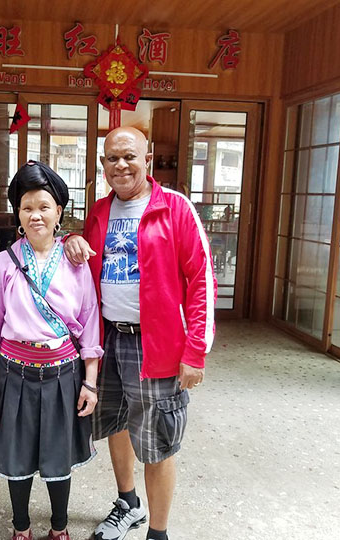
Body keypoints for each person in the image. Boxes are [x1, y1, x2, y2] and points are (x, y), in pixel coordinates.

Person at [64, 127, 217, 540]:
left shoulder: (176, 209)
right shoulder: (98, 212)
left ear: (147, 160)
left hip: (157, 345)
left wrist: (195, 352)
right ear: (102, 166)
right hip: (108, 339)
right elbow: (79, 264)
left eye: (129, 156)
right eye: (112, 159)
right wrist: (69, 239)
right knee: (116, 423)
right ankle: (127, 502)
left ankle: (158, 531)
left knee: (158, 440)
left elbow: (201, 280)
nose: (121, 165)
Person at [0, 161, 103, 540]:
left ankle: (59, 528)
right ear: (18, 213)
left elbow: (91, 326)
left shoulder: (76, 261)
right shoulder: (3, 263)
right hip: (14, 374)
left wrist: (90, 383)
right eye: (27, 207)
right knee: (17, 456)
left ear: (59, 211)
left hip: (64, 373)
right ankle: (21, 528)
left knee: (57, 456)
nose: (36, 215)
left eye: (44, 206)